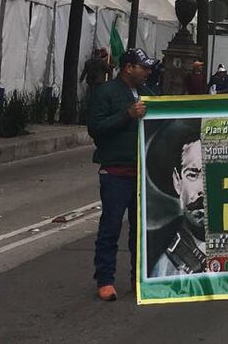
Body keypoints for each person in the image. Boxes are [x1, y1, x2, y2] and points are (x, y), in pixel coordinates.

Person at [87, 47, 156, 301]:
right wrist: (127, 115)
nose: (147, 71)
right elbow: (96, 127)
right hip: (116, 172)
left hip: (141, 172)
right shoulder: (106, 92)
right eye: (143, 67)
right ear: (128, 68)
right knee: (111, 226)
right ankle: (105, 279)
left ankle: (138, 278)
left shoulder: (148, 94)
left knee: (141, 231)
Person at [146, 121, 206, 277]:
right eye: (193, 175)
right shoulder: (166, 267)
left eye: (211, 174)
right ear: (177, 181)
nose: (202, 189)